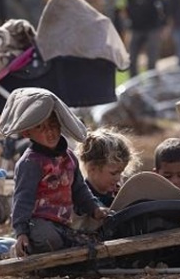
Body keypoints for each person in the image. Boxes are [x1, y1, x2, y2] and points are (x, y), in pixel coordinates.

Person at [9, 109, 108, 257]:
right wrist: (21, 232)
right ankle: (27, 252)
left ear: (61, 125)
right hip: (38, 222)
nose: (50, 132)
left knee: (97, 233)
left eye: (54, 125)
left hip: (64, 222)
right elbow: (22, 199)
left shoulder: (69, 157)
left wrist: (94, 208)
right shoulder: (30, 163)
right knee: (50, 240)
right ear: (26, 133)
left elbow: (79, 188)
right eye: (40, 127)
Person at [116, 0, 167, 78]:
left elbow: (164, 4)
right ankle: (134, 84)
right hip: (135, 29)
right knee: (132, 58)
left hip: (152, 29)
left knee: (151, 59)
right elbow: (120, 10)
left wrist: (163, 24)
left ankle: (152, 83)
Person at [76, 127, 140, 207]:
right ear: (92, 168)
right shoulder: (81, 197)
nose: (118, 178)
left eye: (121, 172)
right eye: (113, 173)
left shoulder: (117, 194)